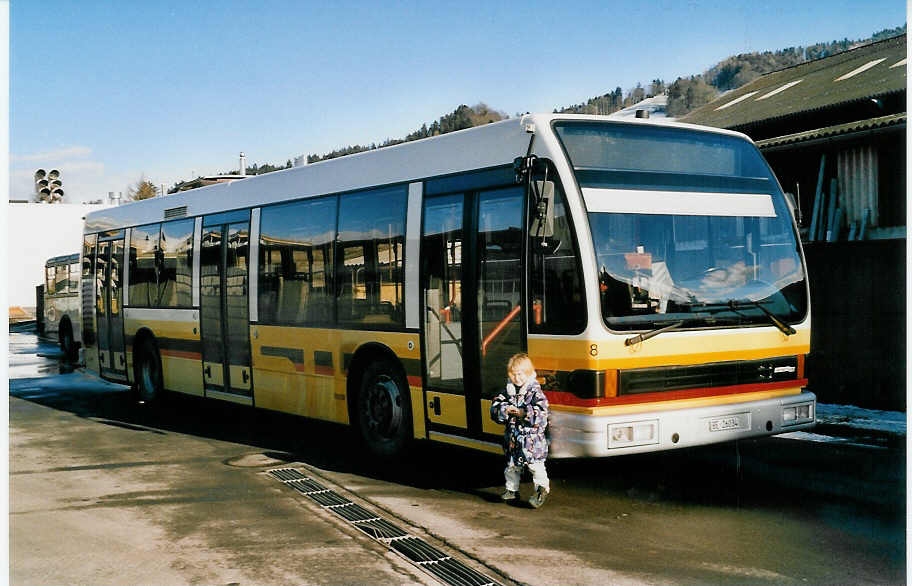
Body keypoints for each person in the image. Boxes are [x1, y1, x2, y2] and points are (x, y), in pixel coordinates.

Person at [490, 353, 550, 508]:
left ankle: (541, 490)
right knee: (511, 466)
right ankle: (511, 490)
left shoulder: (535, 392)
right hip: (513, 439)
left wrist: (525, 413)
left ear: (528, 374)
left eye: (520, 374)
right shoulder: (507, 391)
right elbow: (495, 406)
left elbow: (542, 413)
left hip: (532, 440)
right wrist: (505, 409)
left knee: (536, 466)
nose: (517, 378)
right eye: (513, 374)